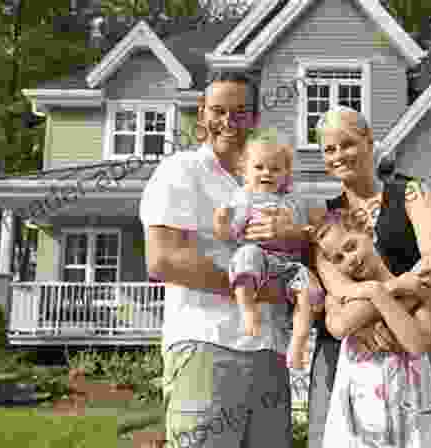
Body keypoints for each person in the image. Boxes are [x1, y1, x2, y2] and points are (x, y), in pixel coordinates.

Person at [140, 72, 307, 448]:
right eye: (218, 110)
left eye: (240, 112)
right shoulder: (181, 171)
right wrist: (263, 292)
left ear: (256, 118)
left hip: (270, 352)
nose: (228, 122)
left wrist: (295, 235)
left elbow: (307, 252)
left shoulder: (278, 182)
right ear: (202, 114)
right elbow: (163, 260)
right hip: (207, 344)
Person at [308, 106, 431, 448]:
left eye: (347, 144)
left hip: (405, 344)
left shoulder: (411, 193)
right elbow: (337, 288)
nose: (338, 155)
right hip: (345, 351)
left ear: (369, 141)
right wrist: (384, 298)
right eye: (329, 150)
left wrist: (390, 315)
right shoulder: (324, 216)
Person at [314, 210, 431, 447]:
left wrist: (378, 293)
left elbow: (417, 344)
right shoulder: (339, 298)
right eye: (338, 258)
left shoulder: (419, 284)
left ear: (369, 232)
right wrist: (386, 289)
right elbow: (340, 327)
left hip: (410, 408)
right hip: (360, 412)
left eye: (351, 246)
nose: (349, 260)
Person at [212, 128, 325, 369]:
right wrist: (222, 221)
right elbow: (230, 235)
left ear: (286, 175)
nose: (267, 173)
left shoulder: (293, 200)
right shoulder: (243, 199)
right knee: (246, 255)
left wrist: (298, 230)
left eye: (275, 169)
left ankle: (298, 343)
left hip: (288, 265)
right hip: (260, 258)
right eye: (259, 167)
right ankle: (247, 308)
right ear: (244, 171)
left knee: (308, 289)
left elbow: (307, 233)